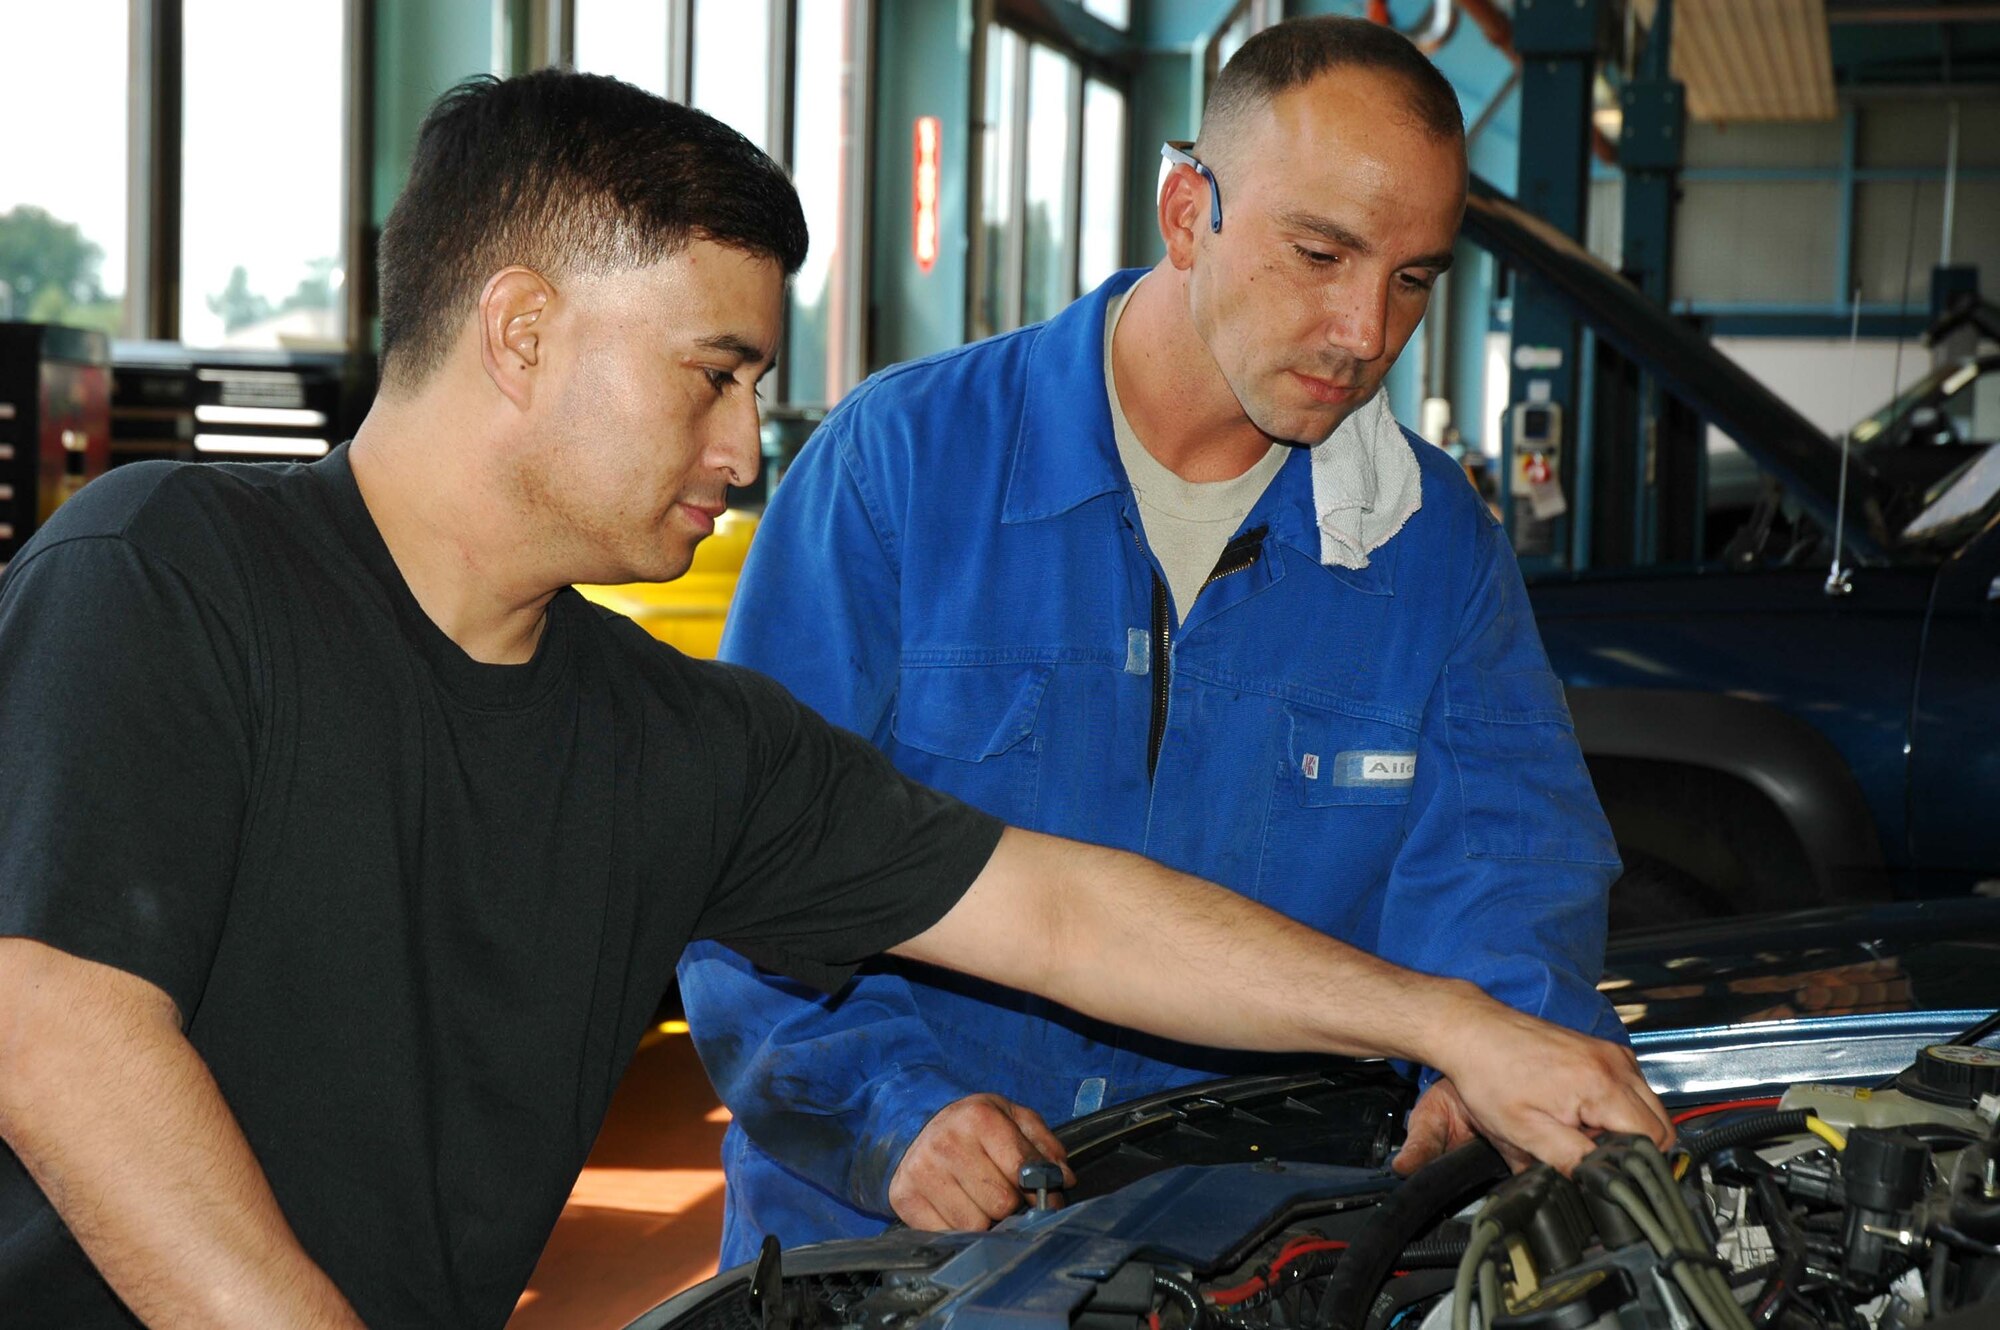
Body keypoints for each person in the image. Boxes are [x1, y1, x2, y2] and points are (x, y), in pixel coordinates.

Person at [0, 68, 1664, 1330]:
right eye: (712, 377)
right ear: (519, 331)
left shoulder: (667, 741)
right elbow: (56, 1023)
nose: (741, 455)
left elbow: (1064, 912)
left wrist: (1452, 1020)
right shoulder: (169, 573)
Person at [679, 16, 1630, 1262]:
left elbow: (1509, 862)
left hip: (1243, 1248)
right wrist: (893, 1112)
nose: (1364, 331)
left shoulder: (1430, 546)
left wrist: (1487, 1044)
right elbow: (749, 870)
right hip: (878, 1244)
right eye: (1318, 253)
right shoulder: (901, 470)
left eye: (1411, 278)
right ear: (1188, 211)